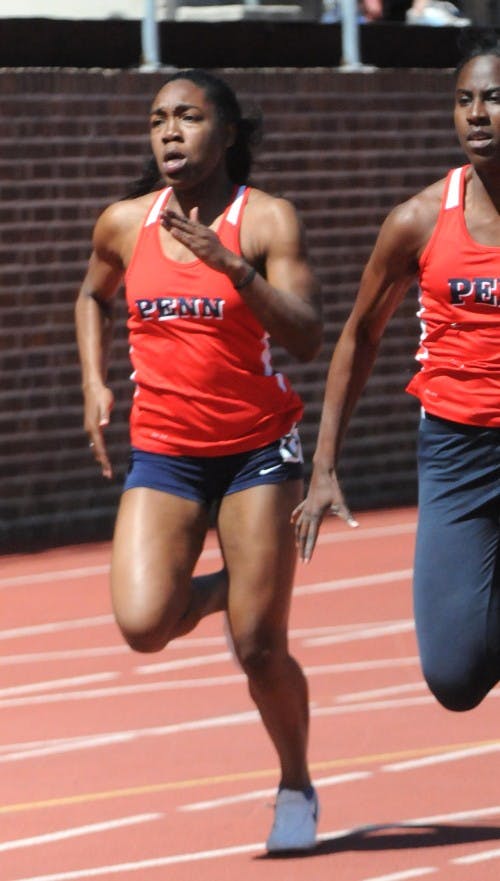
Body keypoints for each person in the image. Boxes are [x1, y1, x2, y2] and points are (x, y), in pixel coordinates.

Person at [75, 69, 323, 852]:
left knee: (259, 645)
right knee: (144, 623)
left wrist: (232, 267)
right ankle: (233, 587)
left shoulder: (268, 220)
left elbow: (308, 333)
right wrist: (94, 383)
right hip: (168, 452)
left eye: (187, 117)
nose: (169, 133)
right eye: (158, 121)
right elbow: (93, 297)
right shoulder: (124, 222)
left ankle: (295, 783)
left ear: (227, 133)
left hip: (256, 449)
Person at [293, 35, 500, 718]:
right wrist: (324, 464)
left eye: (494, 98)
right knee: (454, 674)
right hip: (457, 448)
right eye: (464, 100)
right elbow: (359, 335)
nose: (477, 113)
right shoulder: (416, 221)